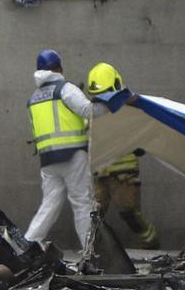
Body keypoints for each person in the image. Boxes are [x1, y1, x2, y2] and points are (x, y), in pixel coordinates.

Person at [25, 51, 131, 249]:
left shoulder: (33, 98)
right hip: (72, 155)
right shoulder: (65, 89)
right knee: (82, 203)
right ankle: (89, 251)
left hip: (48, 160)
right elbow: (87, 111)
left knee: (49, 205)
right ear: (59, 68)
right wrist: (115, 104)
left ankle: (28, 244)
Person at [86, 62, 159, 249]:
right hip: (100, 173)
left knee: (129, 213)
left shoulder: (130, 106)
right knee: (94, 215)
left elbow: (141, 135)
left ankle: (151, 243)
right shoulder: (90, 112)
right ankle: (92, 251)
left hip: (124, 174)